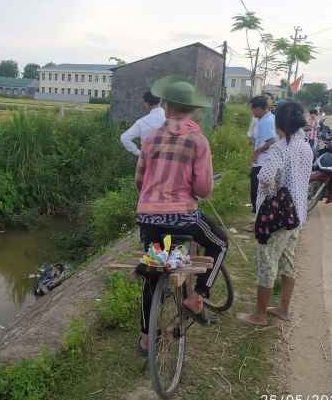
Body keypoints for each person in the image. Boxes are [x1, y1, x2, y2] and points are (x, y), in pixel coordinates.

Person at [135, 76, 228, 355]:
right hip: (183, 217)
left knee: (154, 272)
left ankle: (145, 338)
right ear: (192, 109)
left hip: (149, 219)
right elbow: (203, 188)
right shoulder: (198, 141)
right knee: (220, 243)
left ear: (165, 105)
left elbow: (139, 181)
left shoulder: (150, 139)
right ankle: (198, 297)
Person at [237, 101, 313, 326]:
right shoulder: (305, 146)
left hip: (278, 217)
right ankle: (283, 309)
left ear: (279, 124)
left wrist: (271, 192)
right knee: (288, 261)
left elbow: (266, 176)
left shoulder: (280, 148)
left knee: (267, 262)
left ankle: (259, 315)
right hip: (297, 214)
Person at [246, 95, 277, 231]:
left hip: (263, 162)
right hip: (263, 161)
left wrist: (257, 152)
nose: (252, 112)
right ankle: (259, 221)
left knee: (257, 193)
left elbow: (271, 141)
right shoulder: (266, 118)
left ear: (259, 108)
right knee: (259, 193)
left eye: (252, 109)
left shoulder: (266, 121)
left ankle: (258, 223)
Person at [120, 91, 166, 156]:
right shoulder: (169, 118)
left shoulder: (141, 122)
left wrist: (138, 152)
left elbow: (124, 138)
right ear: (160, 101)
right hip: (168, 159)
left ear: (146, 104)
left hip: (147, 158)